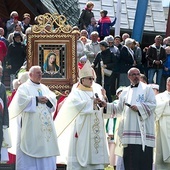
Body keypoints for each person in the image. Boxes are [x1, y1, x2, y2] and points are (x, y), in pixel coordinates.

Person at [55, 60, 109, 169]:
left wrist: (103, 102)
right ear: (82, 79)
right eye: (89, 78)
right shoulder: (76, 92)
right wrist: (91, 103)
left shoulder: (96, 89)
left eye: (92, 78)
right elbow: (74, 106)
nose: (91, 81)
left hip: (95, 126)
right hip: (82, 127)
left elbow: (102, 108)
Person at [102, 67, 156, 170]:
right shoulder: (125, 92)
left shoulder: (147, 89)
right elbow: (118, 109)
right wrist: (106, 106)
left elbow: (153, 104)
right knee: (130, 163)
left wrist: (139, 108)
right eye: (133, 74)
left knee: (144, 163)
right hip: (129, 134)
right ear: (128, 77)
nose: (136, 76)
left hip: (144, 133)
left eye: (138, 74)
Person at [8, 65, 60, 170]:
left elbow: (53, 99)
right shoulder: (24, 87)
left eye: (41, 72)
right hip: (31, 127)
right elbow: (21, 101)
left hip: (45, 128)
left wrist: (48, 99)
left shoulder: (44, 88)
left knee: (46, 148)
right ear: (30, 75)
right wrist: (36, 99)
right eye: (38, 73)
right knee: (30, 149)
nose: (40, 74)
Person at [154, 77, 170, 169]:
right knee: (161, 151)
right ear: (167, 84)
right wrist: (167, 103)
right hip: (163, 124)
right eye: (169, 83)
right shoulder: (160, 96)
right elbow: (156, 109)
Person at [0, 65, 9, 162]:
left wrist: (5, 123)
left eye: (1, 72)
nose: (1, 74)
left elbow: (5, 107)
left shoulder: (2, 87)